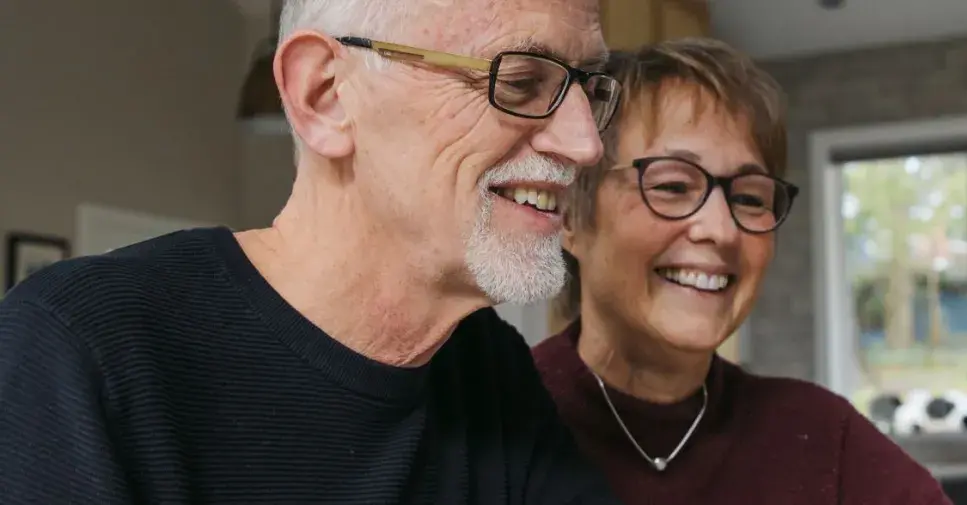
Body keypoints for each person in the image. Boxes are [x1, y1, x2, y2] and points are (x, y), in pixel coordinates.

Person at [0, 0, 625, 503]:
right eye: (519, 81)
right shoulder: (80, 347)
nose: (585, 144)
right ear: (326, 94)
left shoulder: (488, 368)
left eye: (589, 88)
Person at [534, 38, 952, 505]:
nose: (722, 229)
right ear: (571, 215)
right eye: (673, 185)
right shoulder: (496, 424)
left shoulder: (822, 438)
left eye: (750, 198)